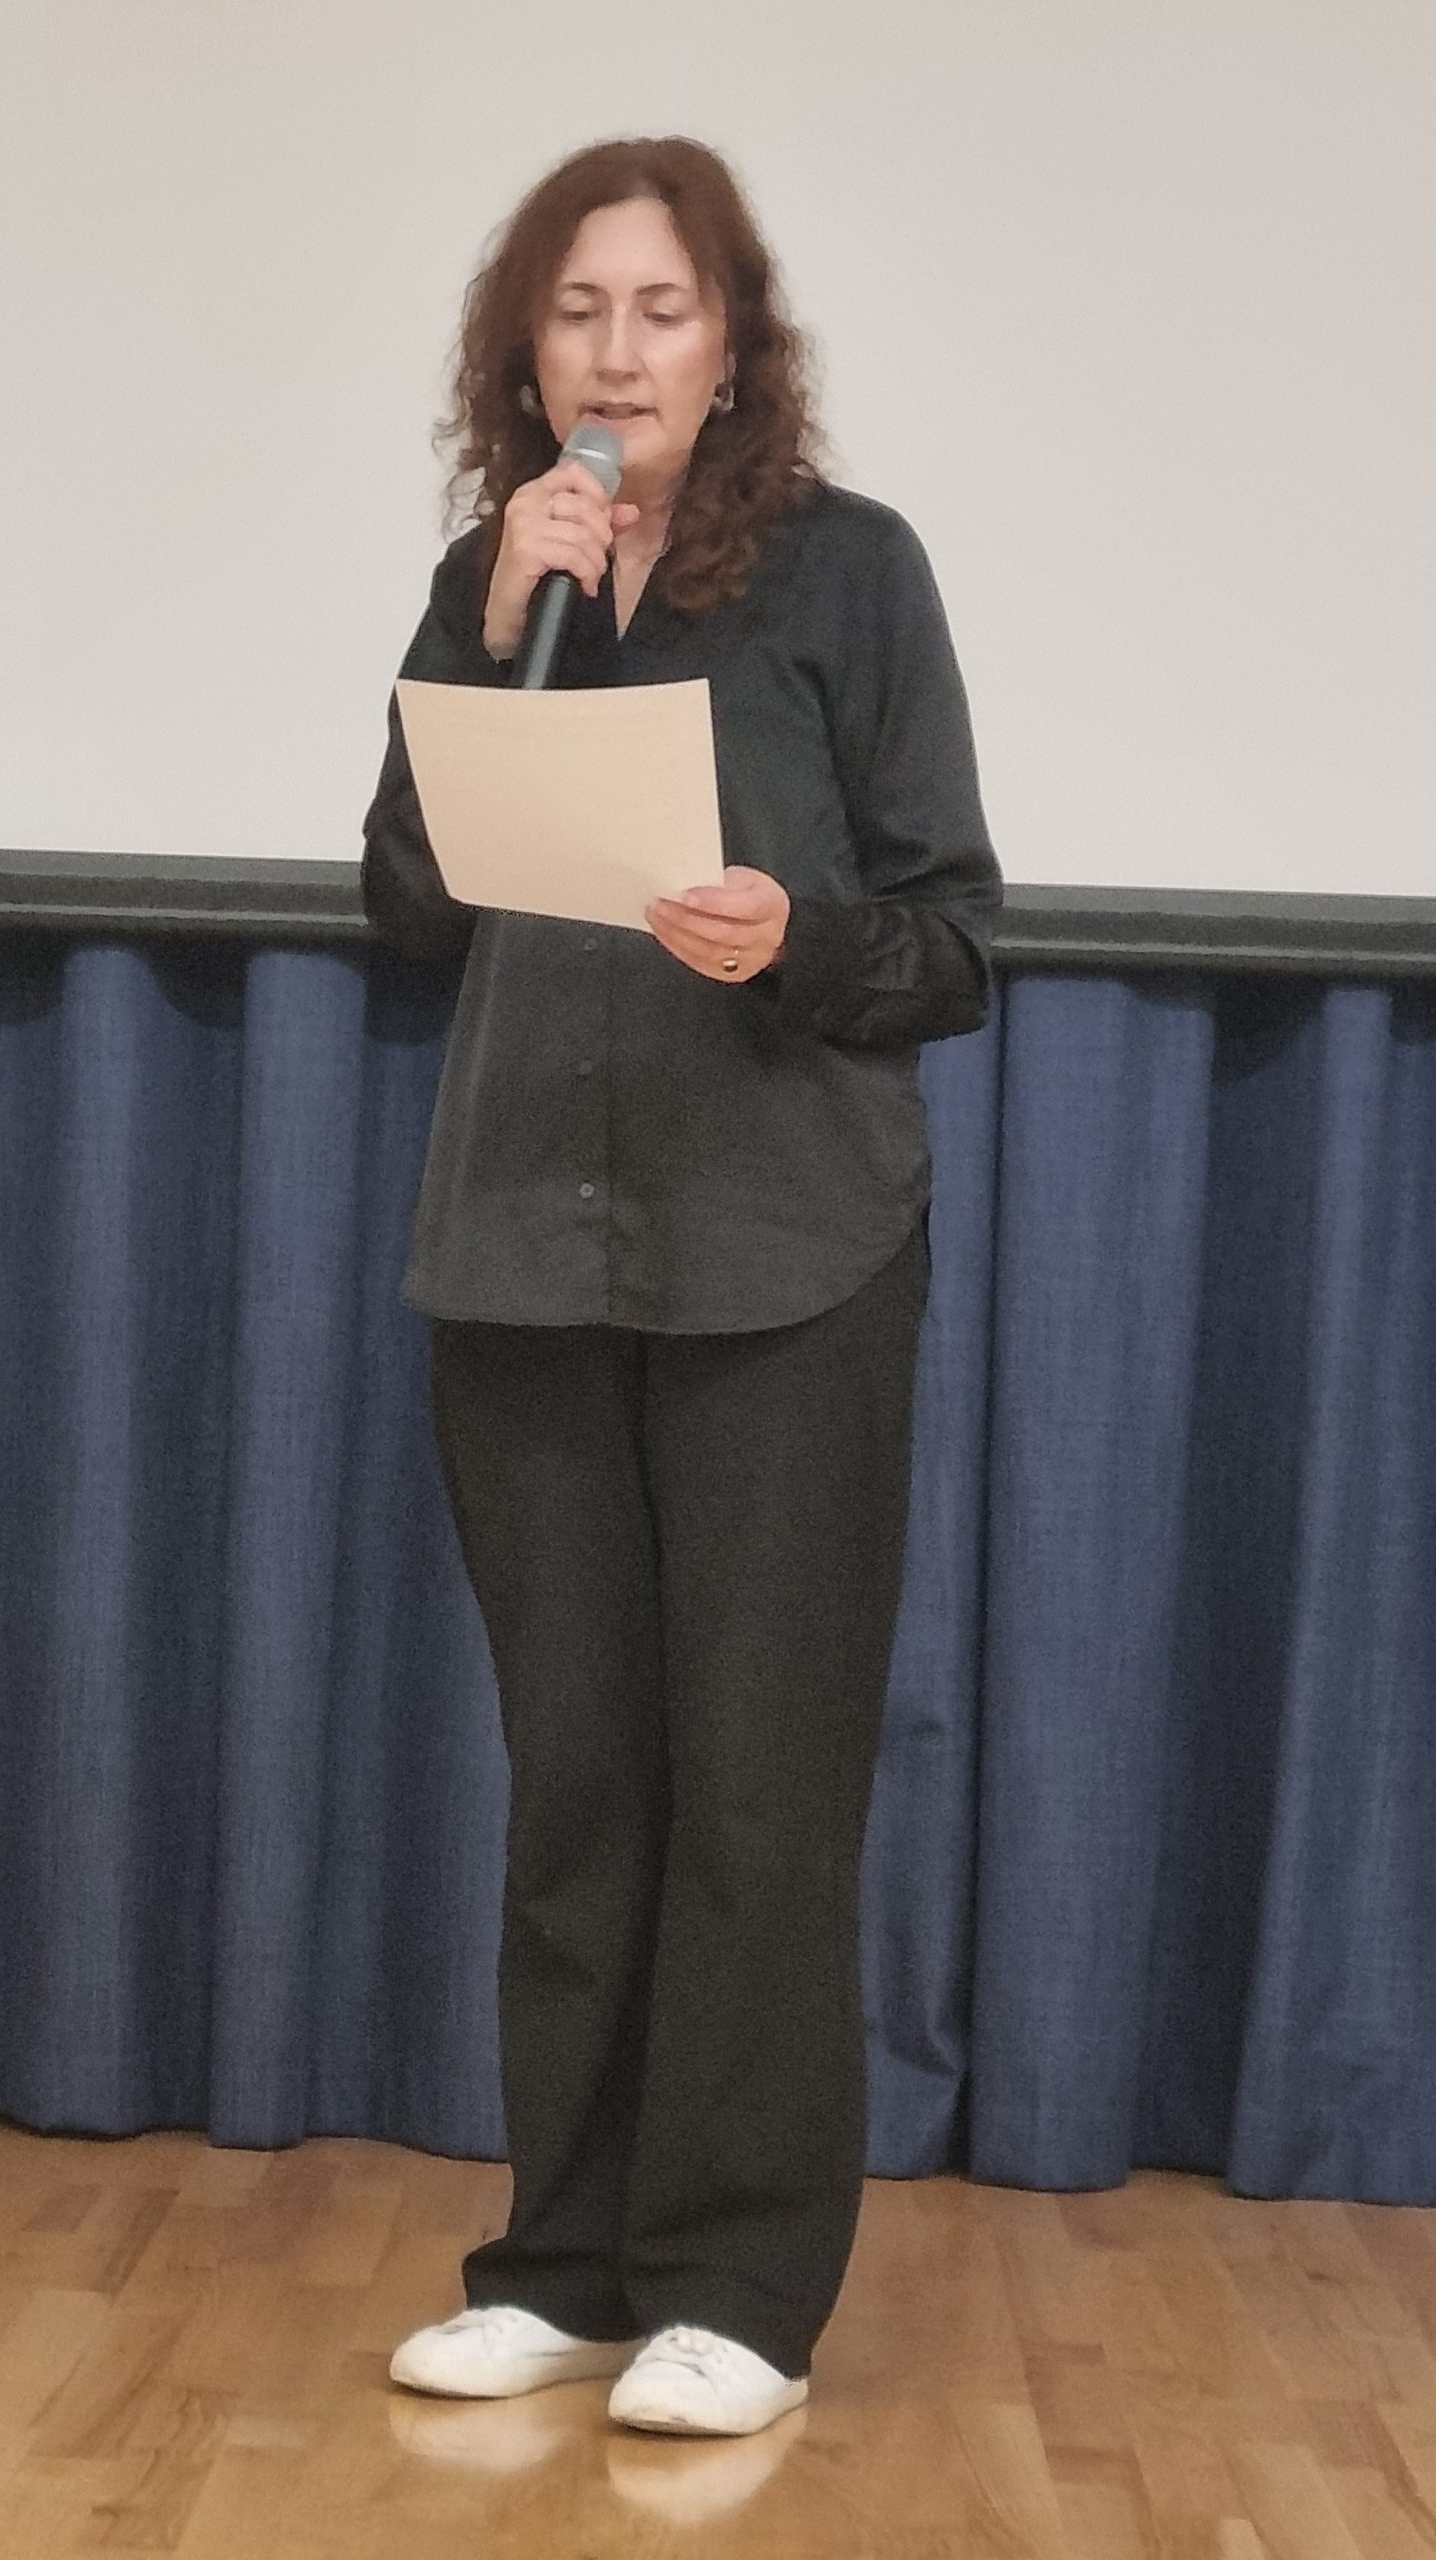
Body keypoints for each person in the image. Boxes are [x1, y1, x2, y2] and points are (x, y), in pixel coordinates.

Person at [361, 134, 1001, 2439]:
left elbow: (951, 936)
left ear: (732, 345)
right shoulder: (490, 570)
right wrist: (476, 612)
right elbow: (409, 908)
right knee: (582, 1781)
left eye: (657, 309)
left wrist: (792, 933)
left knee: (756, 1790)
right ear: (520, 353)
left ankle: (738, 2277)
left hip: (784, 1262)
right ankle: (563, 2254)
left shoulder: (846, 579)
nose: (613, 354)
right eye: (573, 314)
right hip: (524, 1252)